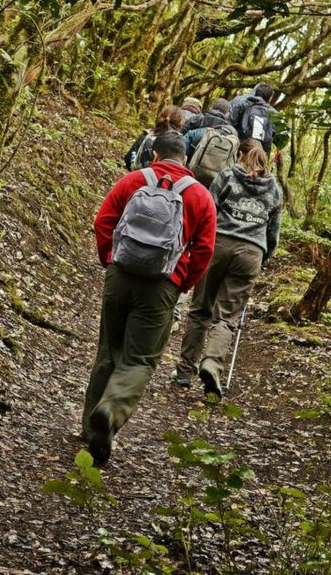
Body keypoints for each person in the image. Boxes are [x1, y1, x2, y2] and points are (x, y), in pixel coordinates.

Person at [84, 130, 217, 466]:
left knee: (108, 351)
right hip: (162, 284)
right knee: (140, 359)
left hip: (120, 274)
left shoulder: (131, 181)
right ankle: (110, 411)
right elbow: (204, 250)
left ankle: (89, 427)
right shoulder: (200, 196)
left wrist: (110, 259)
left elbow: (103, 222)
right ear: (185, 159)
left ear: (155, 156)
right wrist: (182, 284)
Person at [175, 139, 282, 399]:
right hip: (251, 252)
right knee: (226, 316)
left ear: (240, 155)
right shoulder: (274, 188)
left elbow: (209, 209)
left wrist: (197, 242)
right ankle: (212, 364)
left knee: (201, 309)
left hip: (218, 244)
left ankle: (184, 371)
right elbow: (273, 232)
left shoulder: (226, 176)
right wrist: (262, 256)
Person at [124, 105, 184, 171]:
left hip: (138, 177)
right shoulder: (180, 144)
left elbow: (129, 158)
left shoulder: (147, 135)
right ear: (179, 123)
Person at [228, 82, 277, 153]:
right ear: (270, 98)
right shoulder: (273, 113)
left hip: (237, 147)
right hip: (258, 152)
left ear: (255, 91)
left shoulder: (238, 101)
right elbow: (279, 137)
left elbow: (227, 120)